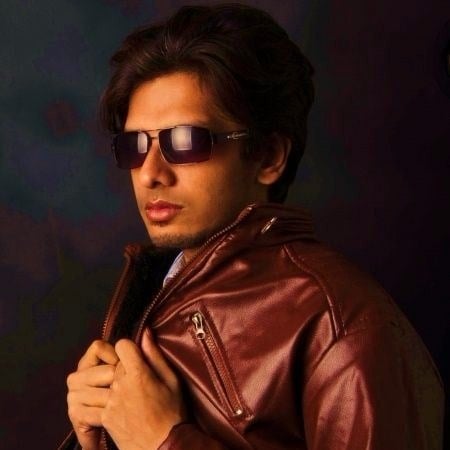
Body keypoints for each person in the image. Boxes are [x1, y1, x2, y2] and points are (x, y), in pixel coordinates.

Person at [60, 3, 444, 450]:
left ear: (268, 156)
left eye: (185, 141)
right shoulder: (152, 293)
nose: (150, 174)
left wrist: (163, 440)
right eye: (134, 145)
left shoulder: (342, 323)